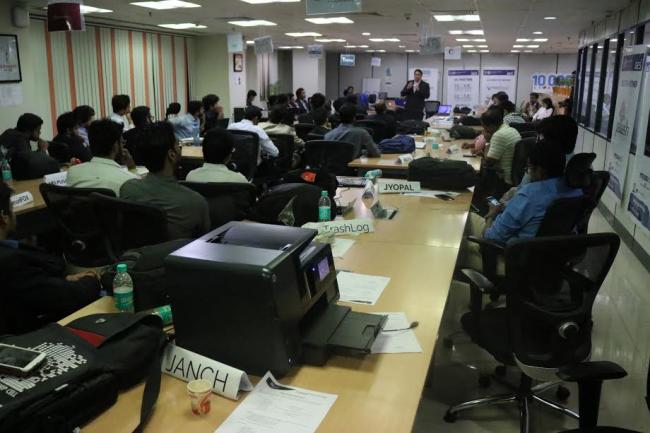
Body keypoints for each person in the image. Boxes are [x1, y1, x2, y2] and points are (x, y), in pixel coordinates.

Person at [460, 139, 583, 270]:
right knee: (470, 218)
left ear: (540, 171)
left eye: (529, 169)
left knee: (459, 241)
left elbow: (491, 237)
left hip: (511, 260)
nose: (528, 173)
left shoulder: (529, 195)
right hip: (549, 260)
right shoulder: (576, 192)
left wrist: (491, 214)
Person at [0, 181, 101, 333]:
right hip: (33, 334)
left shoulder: (11, 256)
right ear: (3, 217)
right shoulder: (11, 263)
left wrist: (63, 279)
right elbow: (69, 297)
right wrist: (94, 280)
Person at [120, 122, 210, 240]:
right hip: (177, 252)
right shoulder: (196, 202)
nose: (180, 148)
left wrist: (132, 168)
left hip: (137, 251)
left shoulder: (127, 189)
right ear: (172, 155)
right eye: (177, 145)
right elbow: (205, 241)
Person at [67, 119, 138, 196]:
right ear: (115, 145)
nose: (123, 146)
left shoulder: (72, 171)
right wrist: (132, 168)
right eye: (121, 142)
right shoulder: (128, 180)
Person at [0, 113, 58, 180]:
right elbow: (30, 164)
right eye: (38, 130)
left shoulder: (11, 133)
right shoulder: (19, 138)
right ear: (29, 130)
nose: (40, 132)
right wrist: (42, 149)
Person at [482, 108, 521, 188]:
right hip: (515, 175)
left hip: (503, 178)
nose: (484, 129)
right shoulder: (511, 129)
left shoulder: (499, 135)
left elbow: (488, 162)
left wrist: (487, 142)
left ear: (491, 125)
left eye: (484, 127)